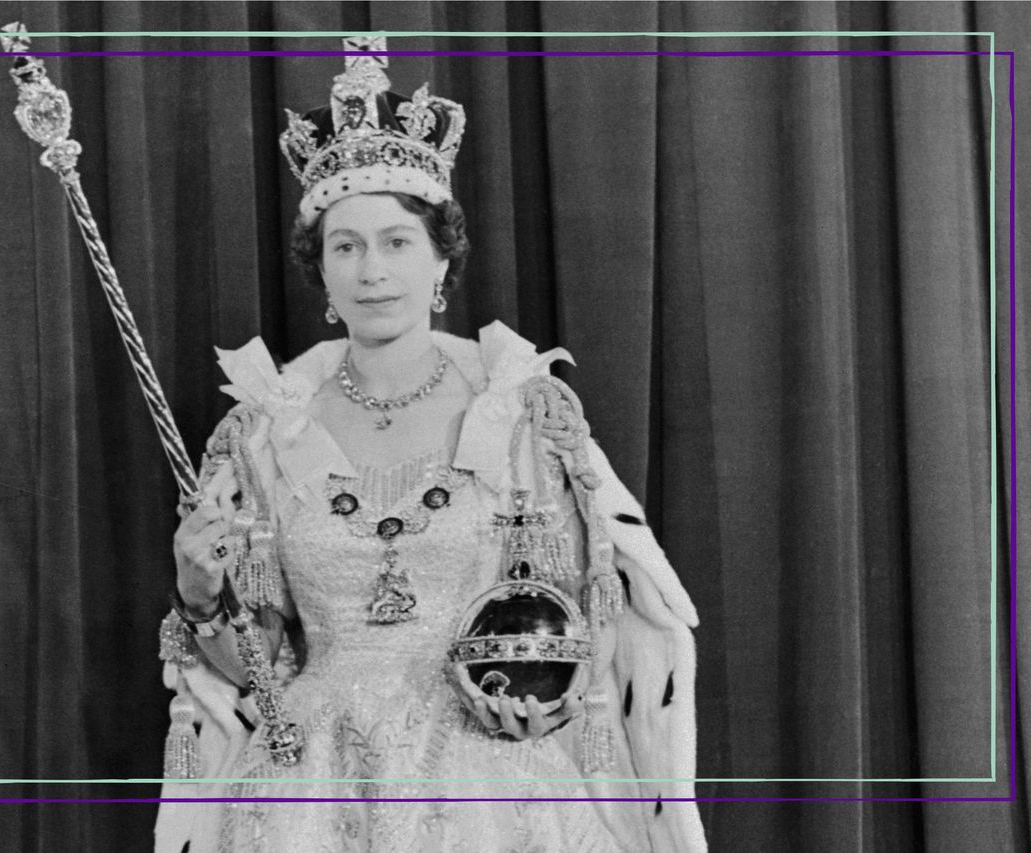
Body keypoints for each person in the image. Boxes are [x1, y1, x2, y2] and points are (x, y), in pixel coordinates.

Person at [154, 39, 705, 853]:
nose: (372, 269)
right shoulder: (263, 434)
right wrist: (201, 594)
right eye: (346, 245)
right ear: (323, 272)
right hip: (311, 789)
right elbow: (260, 675)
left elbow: (583, 623)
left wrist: (545, 696)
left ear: (443, 257)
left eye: (396, 241)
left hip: (493, 784)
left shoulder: (523, 413)